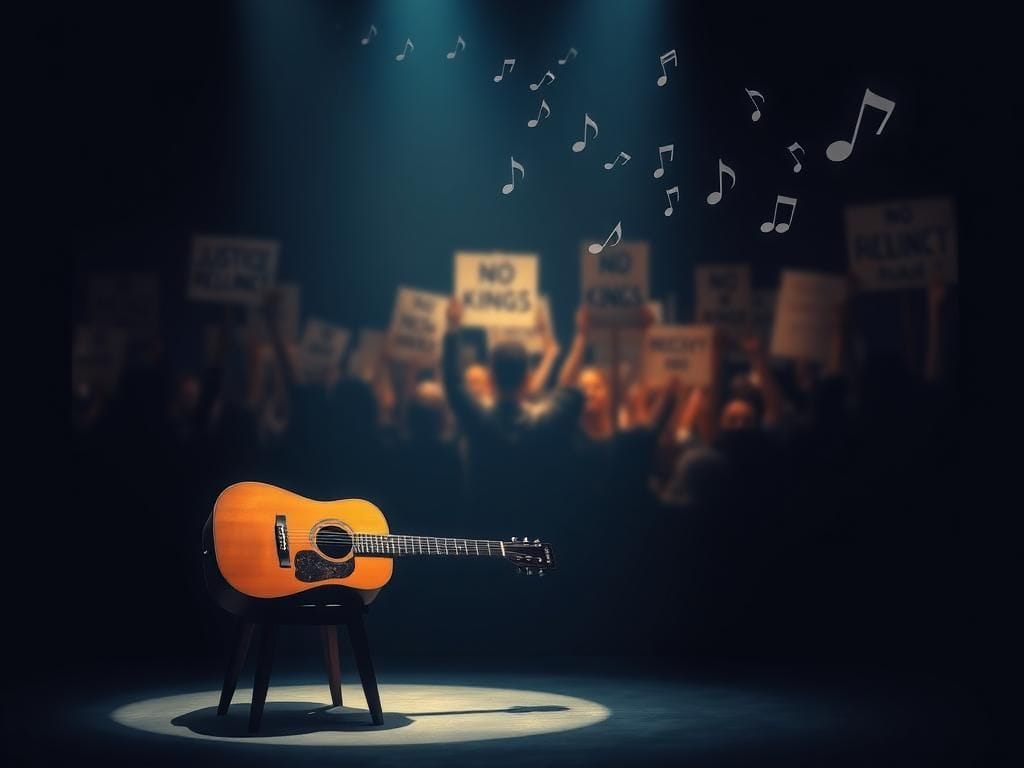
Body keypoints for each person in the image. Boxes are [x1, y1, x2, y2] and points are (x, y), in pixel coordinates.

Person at [442, 296, 583, 536]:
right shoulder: (548, 419)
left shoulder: (479, 420)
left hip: (485, 536)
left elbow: (453, 382)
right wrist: (582, 334)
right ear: (529, 378)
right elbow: (569, 390)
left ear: (490, 378)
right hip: (538, 534)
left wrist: (453, 327)